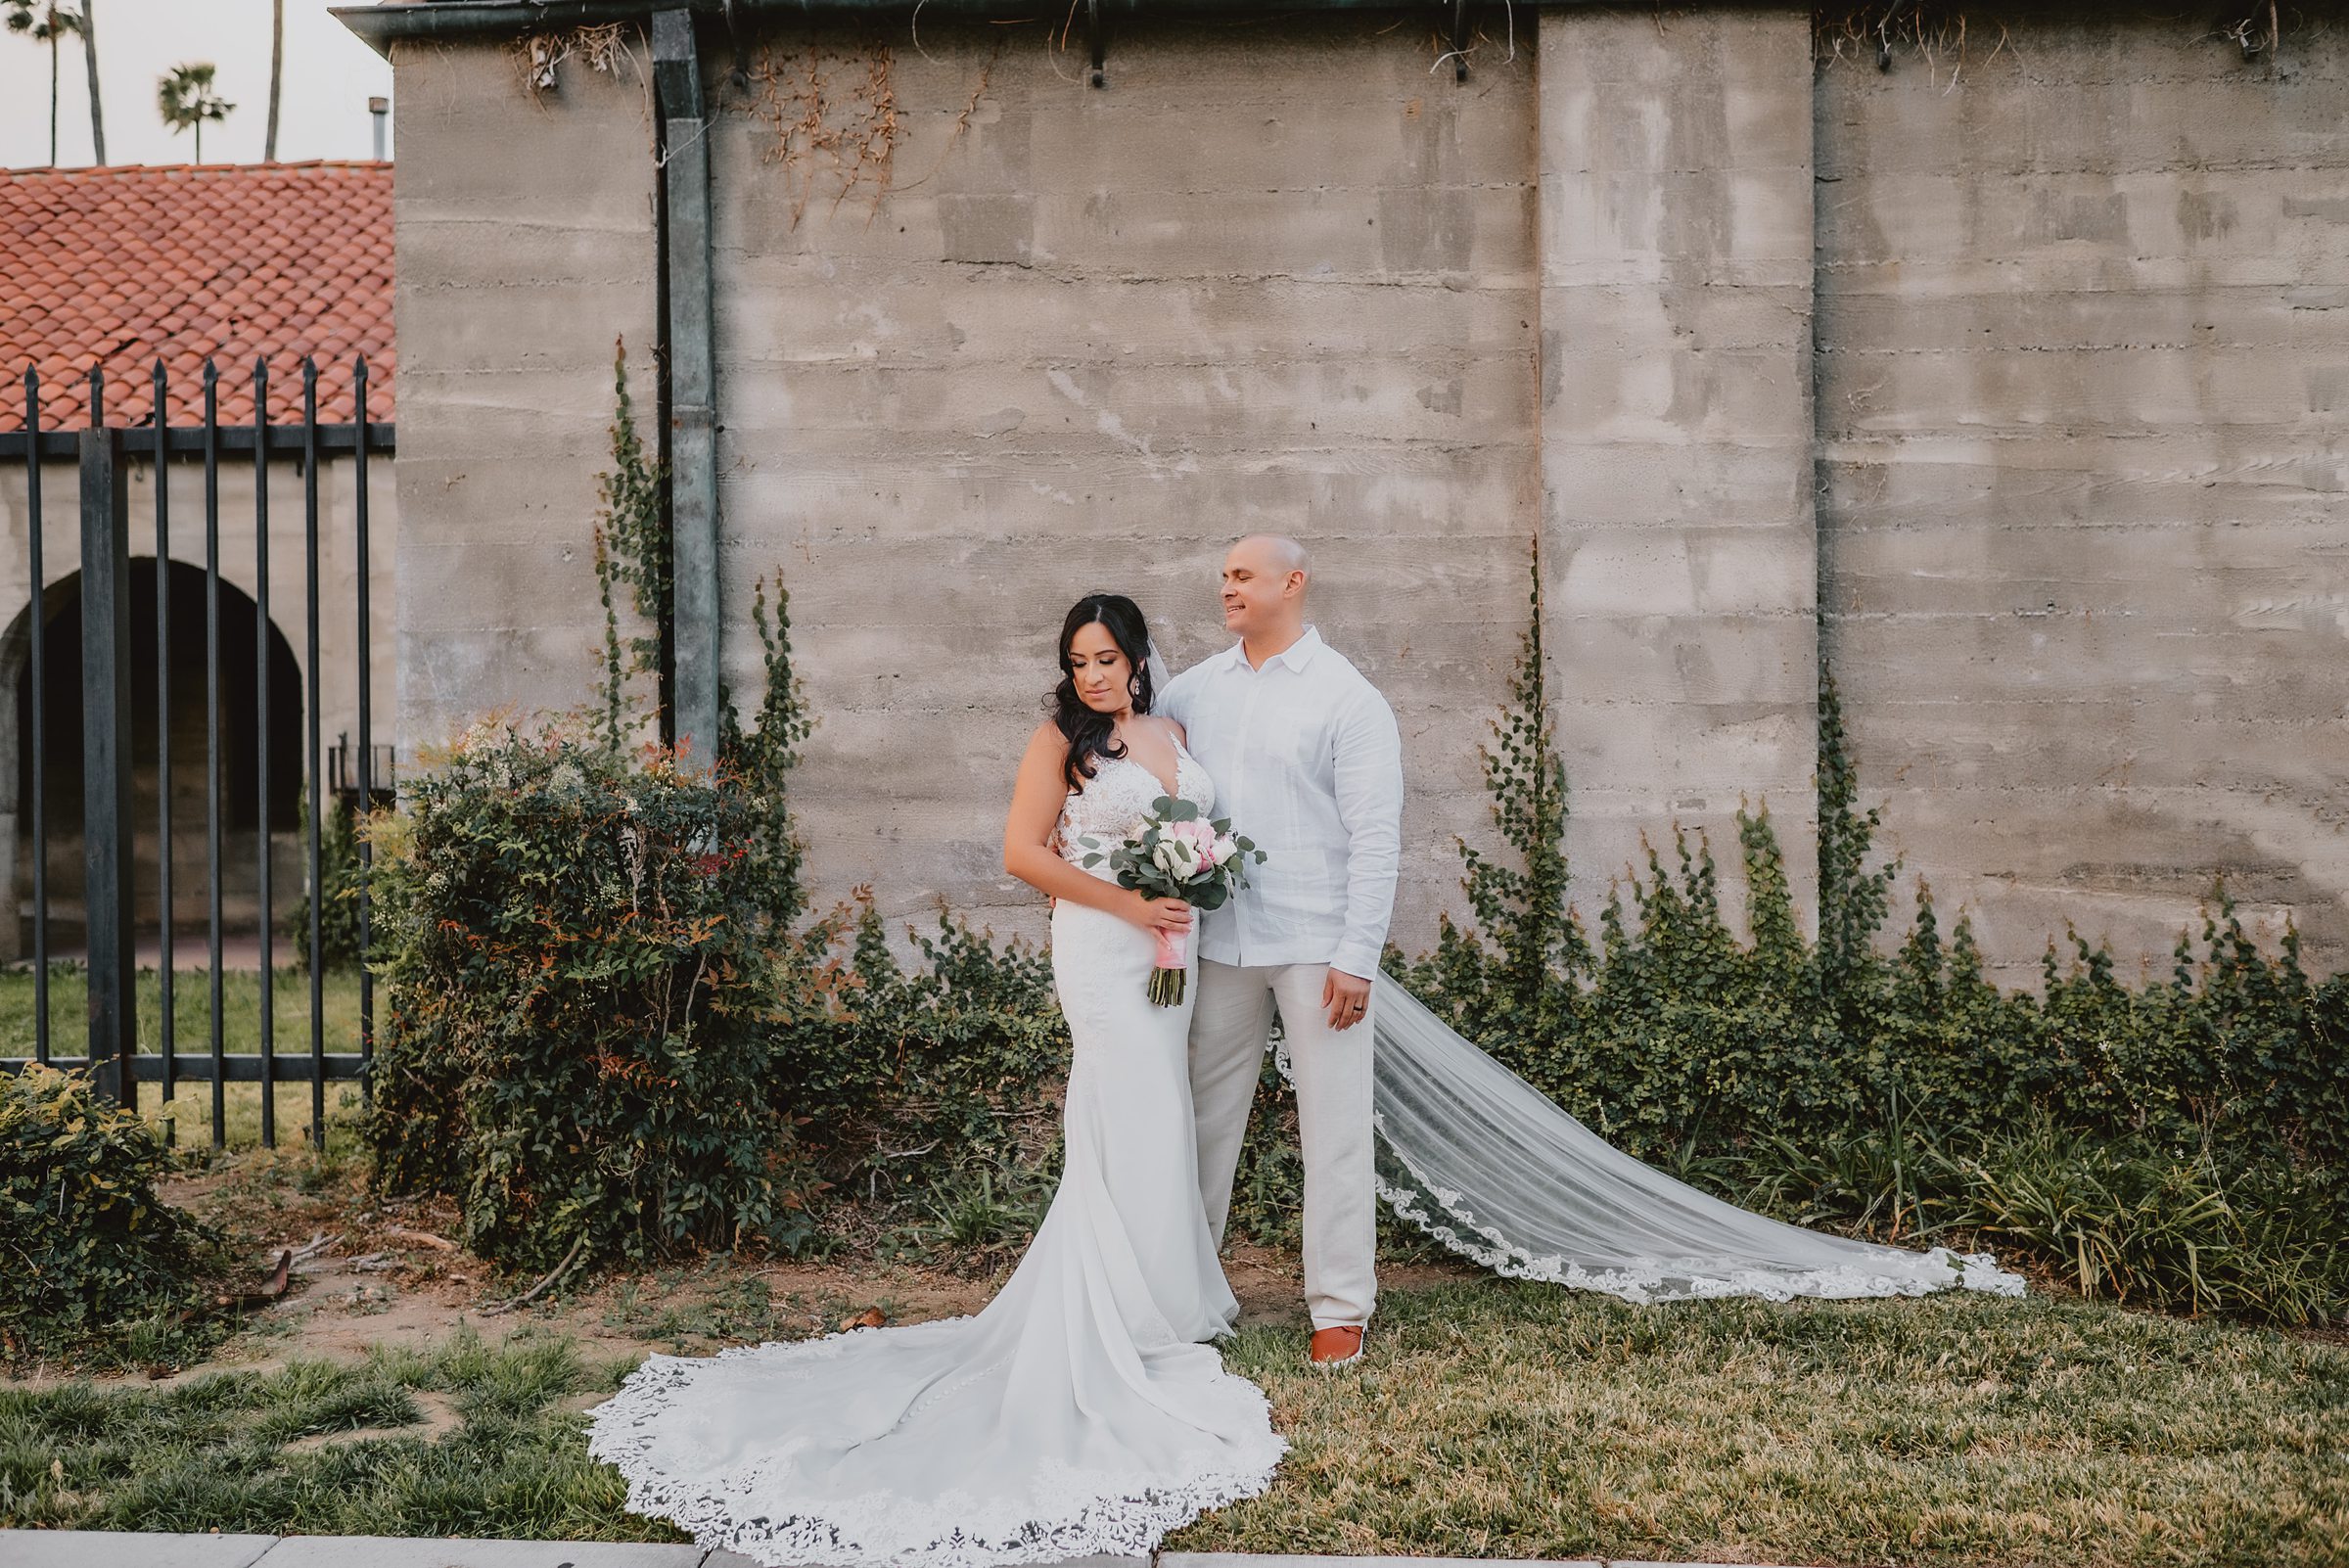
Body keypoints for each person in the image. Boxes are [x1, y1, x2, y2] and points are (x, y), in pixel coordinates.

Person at [586, 593, 1285, 1568]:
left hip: (1175, 948)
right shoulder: (1061, 742)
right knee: (1128, 1112)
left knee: (1157, 1119)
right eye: (1076, 660)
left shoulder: (1172, 728)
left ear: (1137, 657)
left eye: (1105, 657)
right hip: (1103, 947)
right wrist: (1135, 903)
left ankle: (1161, 1305)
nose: (1091, 675)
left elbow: (1194, 837)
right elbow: (1022, 855)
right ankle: (1123, 1322)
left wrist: (1186, 890)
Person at [1157, 534, 1403, 1368]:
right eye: (1222, 575)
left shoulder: (1349, 698)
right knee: (1198, 1120)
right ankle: (1180, 1291)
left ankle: (1339, 1306)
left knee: (1333, 1129)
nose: (1226, 587)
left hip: (1316, 946)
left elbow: (1376, 836)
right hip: (1219, 943)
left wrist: (1357, 954)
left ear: (1292, 583)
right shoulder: (1192, 690)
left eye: (1242, 575)